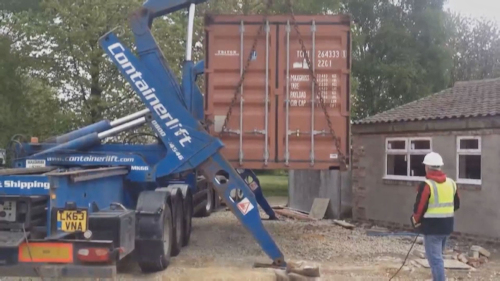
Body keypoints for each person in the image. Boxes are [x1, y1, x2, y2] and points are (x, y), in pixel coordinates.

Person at [411, 152, 460, 281]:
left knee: (435, 259)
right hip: (447, 226)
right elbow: (456, 204)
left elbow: (420, 208)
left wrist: (415, 221)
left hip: (432, 229)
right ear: (440, 167)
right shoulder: (451, 183)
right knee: (439, 257)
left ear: (427, 167)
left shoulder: (427, 185)